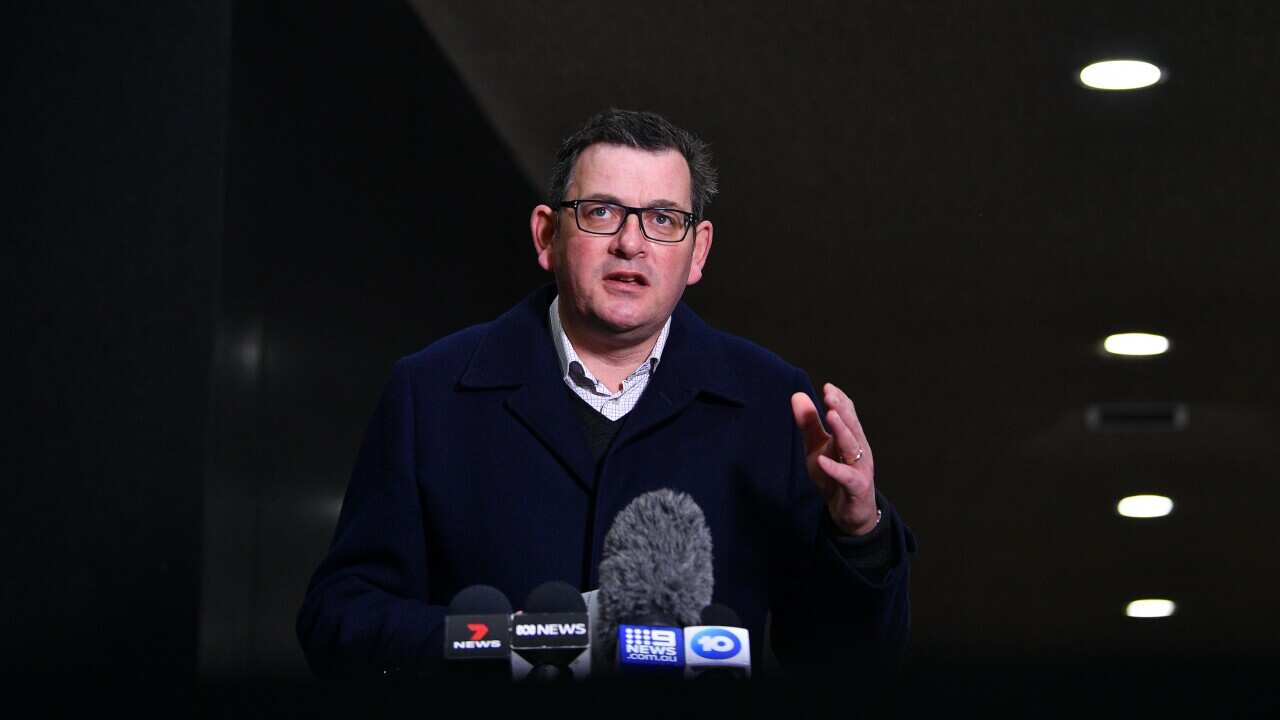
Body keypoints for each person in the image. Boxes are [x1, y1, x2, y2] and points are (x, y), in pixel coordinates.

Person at [297, 109, 916, 680]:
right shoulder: (429, 391)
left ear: (697, 251)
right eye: (601, 212)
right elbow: (338, 619)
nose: (631, 242)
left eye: (663, 219)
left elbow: (844, 664)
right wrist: (499, 646)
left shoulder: (774, 401)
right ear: (547, 235)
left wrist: (859, 533)